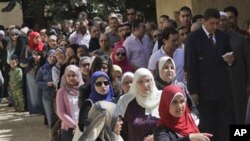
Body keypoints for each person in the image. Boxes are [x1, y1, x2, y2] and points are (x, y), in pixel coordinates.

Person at [185, 8, 234, 141]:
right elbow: (191, 66)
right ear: (204, 22)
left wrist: (230, 61)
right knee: (208, 125)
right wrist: (193, 91)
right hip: (204, 90)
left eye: (217, 23)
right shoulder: (193, 38)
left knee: (224, 124)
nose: (215, 26)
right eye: (212, 23)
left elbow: (230, 56)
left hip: (222, 89)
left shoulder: (222, 36)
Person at [117, 68, 162, 141]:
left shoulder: (162, 98)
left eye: (148, 81)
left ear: (153, 81)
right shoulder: (123, 100)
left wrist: (156, 136)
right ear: (135, 84)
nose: (145, 85)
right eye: (140, 82)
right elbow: (115, 122)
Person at [56, 65, 84, 141]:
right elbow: (61, 112)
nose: (71, 78)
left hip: (84, 128)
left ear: (79, 75)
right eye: (68, 75)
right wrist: (75, 125)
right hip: (69, 129)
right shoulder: (61, 92)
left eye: (74, 75)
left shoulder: (84, 90)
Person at [36, 49, 57, 128]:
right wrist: (47, 84)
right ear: (47, 57)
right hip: (47, 96)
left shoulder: (59, 67)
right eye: (50, 56)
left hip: (58, 95)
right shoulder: (42, 69)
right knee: (50, 119)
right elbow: (37, 82)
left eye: (54, 56)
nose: (52, 58)